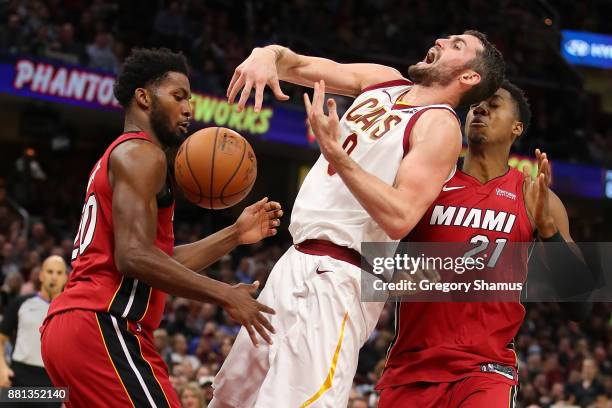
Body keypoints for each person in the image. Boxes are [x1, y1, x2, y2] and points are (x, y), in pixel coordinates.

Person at [211, 31, 505, 407]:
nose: (442, 41)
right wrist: (266, 54)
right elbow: (297, 64)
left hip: (343, 276)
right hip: (293, 262)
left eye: (457, 45)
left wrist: (337, 154)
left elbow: (400, 216)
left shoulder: (439, 127)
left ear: (468, 77)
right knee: (231, 399)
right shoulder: (381, 80)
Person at [40, 48, 282, 408]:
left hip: (73, 326)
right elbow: (134, 257)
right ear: (143, 96)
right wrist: (224, 294)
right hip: (104, 324)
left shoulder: (122, 155)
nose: (189, 109)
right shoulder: (142, 154)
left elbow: (155, 260)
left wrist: (233, 234)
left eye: (190, 99)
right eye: (178, 96)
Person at [377, 81, 593, 407]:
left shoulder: (534, 197)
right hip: (412, 369)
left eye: (493, 105)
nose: (480, 108)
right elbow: (381, 263)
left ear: (516, 127)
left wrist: (548, 230)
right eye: (476, 104)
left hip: (486, 371)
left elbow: (580, 307)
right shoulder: (426, 182)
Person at [0, 255, 67, 407]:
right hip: (18, 376)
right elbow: (1, 338)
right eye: (50, 272)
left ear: (66, 278)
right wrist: (2, 367)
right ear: (41, 275)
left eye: (59, 273)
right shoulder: (21, 302)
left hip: (52, 382)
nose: (54, 277)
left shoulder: (72, 310)